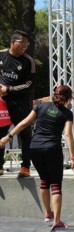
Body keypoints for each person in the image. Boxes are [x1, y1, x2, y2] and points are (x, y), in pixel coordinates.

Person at [0, 85, 74, 229]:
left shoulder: (40, 107)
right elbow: (67, 134)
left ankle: (48, 213)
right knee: (55, 184)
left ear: (54, 95)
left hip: (34, 148)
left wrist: (8, 137)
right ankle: (57, 221)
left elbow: (23, 123)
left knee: (44, 180)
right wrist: (73, 157)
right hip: (52, 149)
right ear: (68, 99)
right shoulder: (67, 113)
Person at [0, 30, 36, 177]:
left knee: (25, 133)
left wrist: (9, 89)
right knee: (1, 132)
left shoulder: (28, 61)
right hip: (2, 103)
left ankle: (25, 166)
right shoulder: (1, 55)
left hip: (21, 103)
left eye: (27, 44)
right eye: (22, 43)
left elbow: (30, 84)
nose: (25, 47)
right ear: (13, 42)